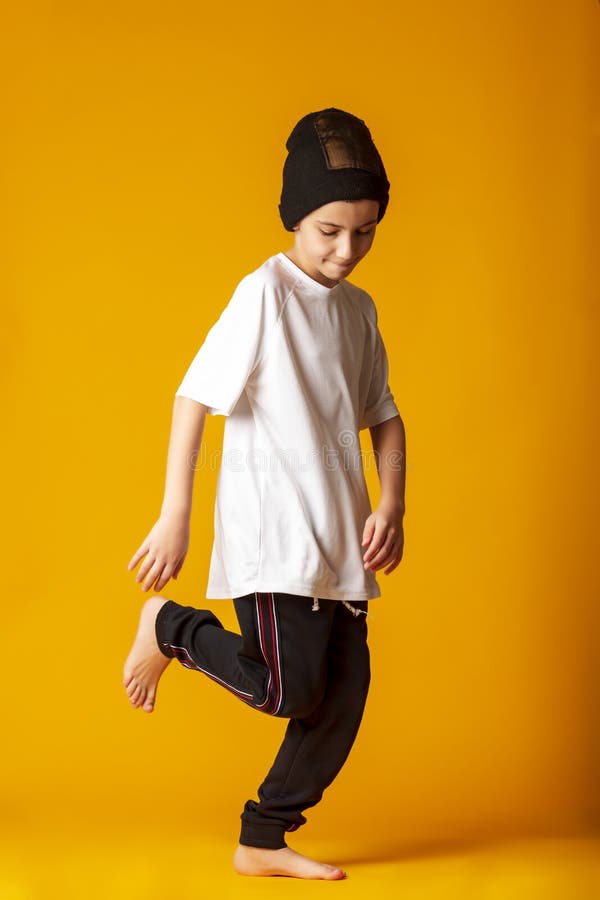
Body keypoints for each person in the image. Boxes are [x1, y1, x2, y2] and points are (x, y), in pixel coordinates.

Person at [123, 107, 406, 880]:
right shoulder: (265, 295)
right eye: (328, 231)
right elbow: (194, 397)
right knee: (287, 689)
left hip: (339, 537)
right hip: (272, 536)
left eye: (365, 233)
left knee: (342, 699)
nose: (347, 251)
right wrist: (175, 512)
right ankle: (172, 627)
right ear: (295, 219)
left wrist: (391, 505)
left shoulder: (358, 310)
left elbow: (382, 413)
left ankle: (263, 839)